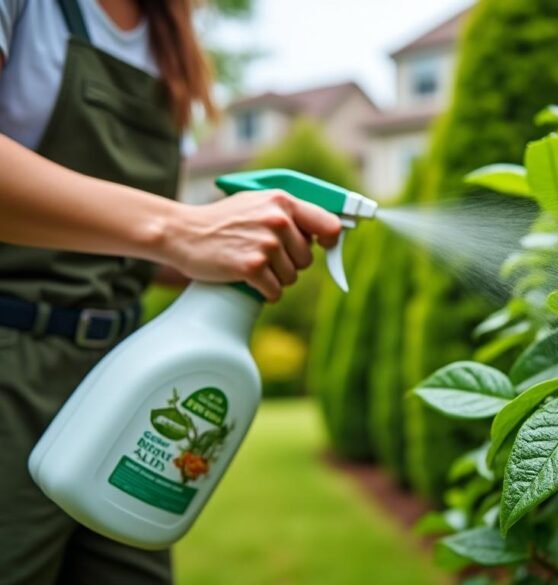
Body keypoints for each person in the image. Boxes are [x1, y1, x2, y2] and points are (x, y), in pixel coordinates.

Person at [0, 1, 340, 583]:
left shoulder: (169, 46)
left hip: (125, 373)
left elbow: (142, 246)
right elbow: (166, 229)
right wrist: (185, 229)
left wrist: (243, 242)